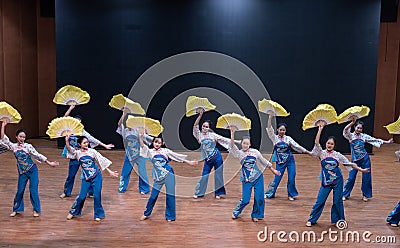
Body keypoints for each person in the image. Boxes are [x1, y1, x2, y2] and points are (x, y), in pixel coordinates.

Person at [306, 123, 369, 227]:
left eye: (331, 144)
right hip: (326, 181)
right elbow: (316, 142)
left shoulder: (337, 155)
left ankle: (339, 220)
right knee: (320, 201)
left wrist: (361, 169)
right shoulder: (321, 153)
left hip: (337, 181)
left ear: (334, 146)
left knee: (337, 201)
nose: (329, 145)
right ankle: (312, 219)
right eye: (328, 143)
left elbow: (349, 163)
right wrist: (320, 129)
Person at [0, 120, 58, 217]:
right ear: (16, 137)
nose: (22, 138)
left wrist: (49, 163)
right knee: (20, 191)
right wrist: (3, 125)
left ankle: (36, 210)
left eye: (23, 137)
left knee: (33, 190)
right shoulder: (13, 147)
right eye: (20, 136)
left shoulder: (28, 146)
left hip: (32, 170)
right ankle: (16, 209)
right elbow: (3, 138)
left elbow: (37, 155)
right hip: (22, 172)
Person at [138, 134, 197, 221]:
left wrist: (189, 162)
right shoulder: (150, 152)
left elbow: (176, 156)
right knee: (153, 196)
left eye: (159, 143)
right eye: (155, 142)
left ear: (162, 143)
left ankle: (170, 216)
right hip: (158, 177)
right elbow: (143, 146)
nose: (157, 144)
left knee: (170, 195)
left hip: (169, 174)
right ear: (153, 142)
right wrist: (140, 137)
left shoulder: (165, 151)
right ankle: (146, 213)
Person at [60, 104, 114, 198]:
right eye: (75, 122)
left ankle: (91, 192)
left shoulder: (82, 132)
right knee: (71, 175)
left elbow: (92, 139)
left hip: (84, 155)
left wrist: (104, 145)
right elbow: (64, 118)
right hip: (74, 155)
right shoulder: (68, 130)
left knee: (88, 173)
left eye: (79, 122)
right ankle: (66, 192)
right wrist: (71, 108)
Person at [229, 128, 281, 222]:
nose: (245, 145)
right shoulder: (239, 153)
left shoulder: (255, 152)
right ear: (242, 144)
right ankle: (236, 211)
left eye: (247, 144)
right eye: (244, 143)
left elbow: (263, 161)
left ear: (250, 145)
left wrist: (273, 170)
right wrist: (232, 133)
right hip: (246, 179)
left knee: (259, 197)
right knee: (246, 200)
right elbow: (232, 146)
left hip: (258, 177)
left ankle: (256, 214)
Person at [64, 133, 118, 221]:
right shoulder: (77, 153)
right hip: (86, 178)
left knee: (97, 196)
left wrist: (110, 171)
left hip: (96, 176)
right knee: (81, 196)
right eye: (84, 143)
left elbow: (101, 160)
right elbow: (70, 150)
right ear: (79, 144)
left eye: (87, 142)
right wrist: (67, 141)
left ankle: (98, 214)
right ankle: (73, 212)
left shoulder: (92, 152)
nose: (87, 144)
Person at [342, 118, 393, 202]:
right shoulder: (350, 136)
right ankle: (345, 194)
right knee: (351, 178)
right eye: (357, 127)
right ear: (354, 127)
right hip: (355, 160)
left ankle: (365, 195)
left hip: (365, 159)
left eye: (360, 128)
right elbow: (345, 130)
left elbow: (374, 139)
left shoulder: (364, 136)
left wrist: (387, 142)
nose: (359, 129)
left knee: (366, 177)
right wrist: (352, 123)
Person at [264, 114, 312, 200]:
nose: (282, 131)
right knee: (277, 178)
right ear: (278, 130)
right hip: (280, 161)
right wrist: (270, 117)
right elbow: (269, 129)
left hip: (290, 160)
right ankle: (269, 193)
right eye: (280, 130)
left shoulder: (288, 139)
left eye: (284, 130)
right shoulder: (274, 138)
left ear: (285, 131)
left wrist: (306, 151)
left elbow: (296, 146)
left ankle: (291, 194)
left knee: (291, 177)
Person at [192, 108, 234, 199]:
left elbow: (225, 140)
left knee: (218, 176)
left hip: (217, 157)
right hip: (208, 159)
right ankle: (199, 193)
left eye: (206, 127)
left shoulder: (213, 135)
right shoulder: (199, 135)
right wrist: (200, 115)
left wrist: (237, 141)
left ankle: (218, 193)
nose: (204, 128)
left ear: (209, 128)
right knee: (204, 176)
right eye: (203, 126)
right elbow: (195, 125)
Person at [116, 108, 153, 194]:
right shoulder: (125, 131)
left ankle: (144, 189)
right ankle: (122, 188)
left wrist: (156, 140)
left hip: (139, 155)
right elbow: (119, 124)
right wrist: (124, 113)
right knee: (125, 172)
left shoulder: (138, 130)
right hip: (129, 155)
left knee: (142, 172)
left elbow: (148, 138)